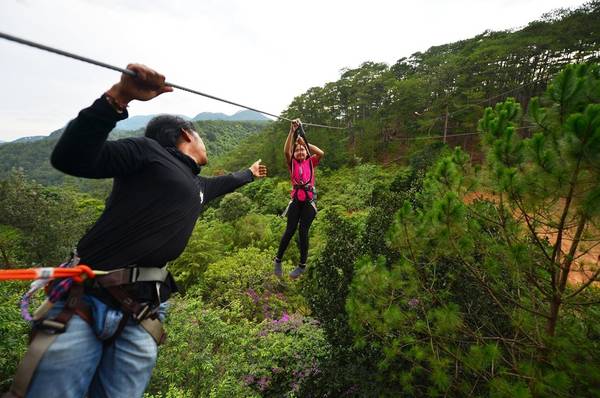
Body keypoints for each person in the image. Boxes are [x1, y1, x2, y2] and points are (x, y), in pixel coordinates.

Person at [6, 63, 267, 398]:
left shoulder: (198, 185)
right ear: (187, 135)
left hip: (142, 311)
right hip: (87, 300)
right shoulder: (148, 152)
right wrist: (120, 97)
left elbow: (228, 182)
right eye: (201, 136)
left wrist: (250, 172)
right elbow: (72, 157)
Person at [273, 119, 324, 279]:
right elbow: (286, 152)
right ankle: (278, 261)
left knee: (303, 232)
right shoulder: (292, 163)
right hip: (296, 200)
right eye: (298, 151)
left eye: (302, 150)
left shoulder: (311, 162)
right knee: (290, 230)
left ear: (306, 152)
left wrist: (304, 143)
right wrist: (292, 131)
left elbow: (321, 153)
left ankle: (302, 265)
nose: (300, 152)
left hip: (309, 202)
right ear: (294, 155)